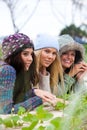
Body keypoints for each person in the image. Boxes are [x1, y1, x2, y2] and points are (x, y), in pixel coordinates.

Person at [0, 33, 57, 114]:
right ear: (13, 55)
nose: (30, 59)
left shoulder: (13, 70)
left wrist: (34, 92)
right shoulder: (7, 70)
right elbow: (6, 111)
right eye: (25, 54)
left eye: (31, 54)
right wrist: (39, 100)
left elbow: (16, 100)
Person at [34, 33, 65, 98]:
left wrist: (44, 75)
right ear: (37, 52)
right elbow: (45, 101)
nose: (51, 57)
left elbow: (47, 98)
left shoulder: (45, 70)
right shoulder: (27, 70)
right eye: (47, 51)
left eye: (54, 53)